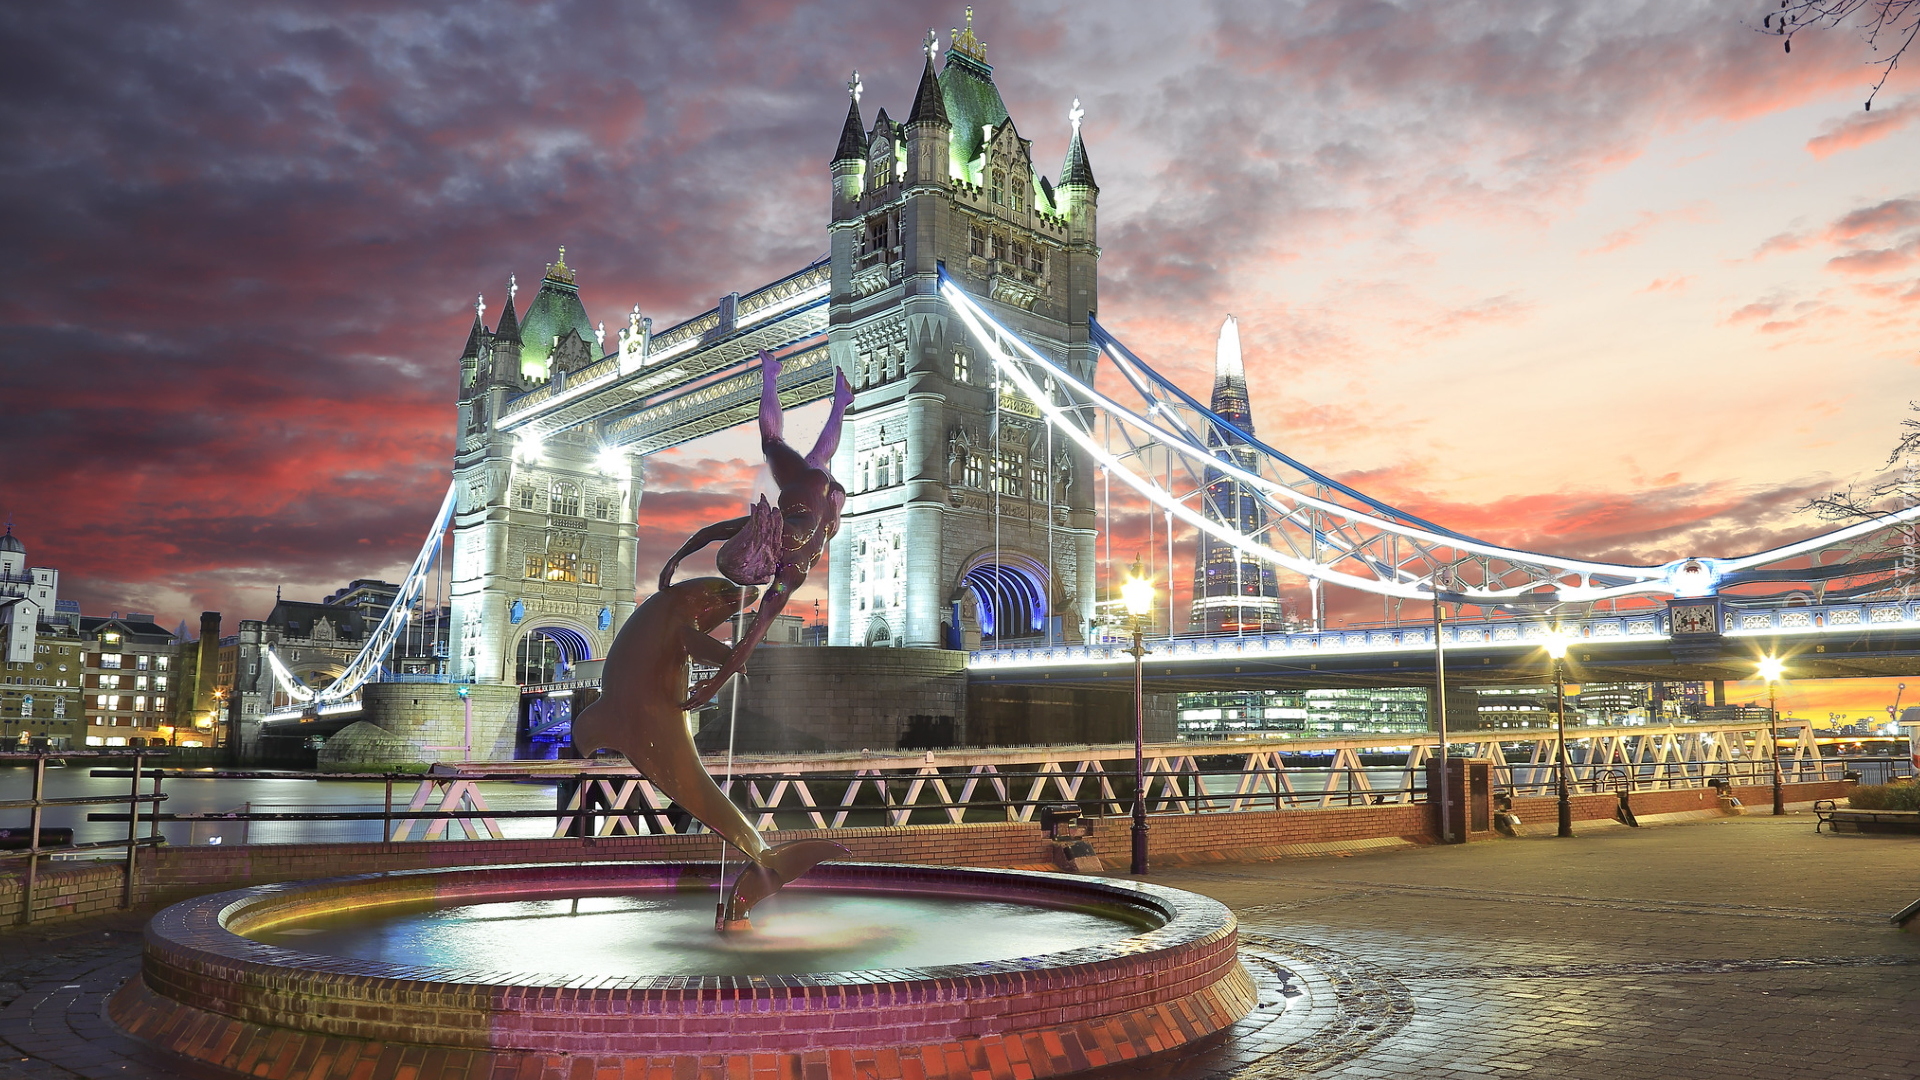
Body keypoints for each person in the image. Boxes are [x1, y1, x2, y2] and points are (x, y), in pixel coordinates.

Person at [658, 350, 852, 708]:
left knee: (809, 457)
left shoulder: (787, 577)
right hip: (809, 494)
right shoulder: (770, 531)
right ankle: (777, 377)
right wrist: (676, 558)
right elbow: (713, 532)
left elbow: (748, 641)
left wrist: (713, 687)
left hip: (829, 511)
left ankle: (838, 400)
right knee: (778, 445)